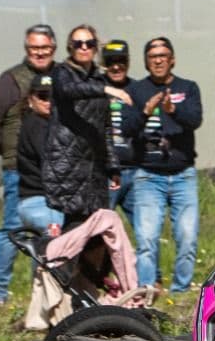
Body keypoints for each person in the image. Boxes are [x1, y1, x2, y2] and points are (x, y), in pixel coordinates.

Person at [0, 23, 58, 304]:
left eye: (45, 48)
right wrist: (12, 153)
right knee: (13, 227)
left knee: (50, 229)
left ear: (54, 47)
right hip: (19, 168)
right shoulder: (11, 80)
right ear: (26, 49)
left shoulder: (62, 74)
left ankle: (40, 290)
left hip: (56, 166)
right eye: (34, 48)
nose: (39, 53)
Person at [123, 36, 203, 292]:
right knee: (146, 239)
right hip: (148, 175)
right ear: (146, 62)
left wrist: (173, 111)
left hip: (184, 174)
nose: (158, 60)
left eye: (163, 55)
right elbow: (125, 127)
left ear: (172, 59)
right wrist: (145, 112)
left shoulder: (188, 87)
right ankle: (147, 289)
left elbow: (195, 119)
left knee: (187, 238)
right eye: (152, 56)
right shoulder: (135, 90)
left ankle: (180, 289)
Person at [44, 25, 131, 228]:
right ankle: (49, 258)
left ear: (95, 48)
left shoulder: (98, 78)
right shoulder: (61, 73)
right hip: (68, 164)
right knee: (74, 230)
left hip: (94, 167)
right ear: (70, 47)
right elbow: (69, 89)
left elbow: (106, 127)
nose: (84, 48)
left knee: (96, 231)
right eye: (78, 44)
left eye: (89, 43)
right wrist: (107, 88)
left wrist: (112, 165)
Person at [15, 72, 64, 237]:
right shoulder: (38, 126)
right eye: (43, 96)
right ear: (30, 100)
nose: (48, 102)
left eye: (53, 96)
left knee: (46, 254)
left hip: (37, 202)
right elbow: (52, 162)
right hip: (42, 202)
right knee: (57, 254)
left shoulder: (46, 124)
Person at [102, 39, 138, 214]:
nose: (116, 67)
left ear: (128, 62)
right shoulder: (95, 88)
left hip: (136, 170)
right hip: (105, 173)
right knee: (100, 228)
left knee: (145, 229)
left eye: (121, 61)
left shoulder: (139, 89)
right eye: (110, 62)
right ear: (103, 64)